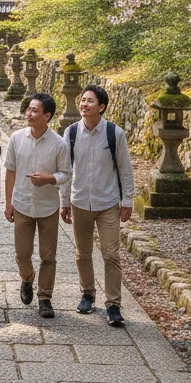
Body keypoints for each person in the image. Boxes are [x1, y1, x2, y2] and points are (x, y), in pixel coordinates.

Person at [60, 85, 136, 327]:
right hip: (80, 201)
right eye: (83, 100)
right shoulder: (71, 132)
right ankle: (87, 294)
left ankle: (113, 304)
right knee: (82, 253)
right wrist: (64, 201)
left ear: (101, 107)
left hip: (108, 202)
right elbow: (66, 170)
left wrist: (128, 200)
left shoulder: (115, 133)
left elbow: (125, 169)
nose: (84, 104)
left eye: (90, 101)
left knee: (111, 254)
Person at [4, 92, 71, 318]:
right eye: (29, 109)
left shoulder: (59, 144)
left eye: (35, 110)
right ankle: (27, 278)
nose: (29, 114)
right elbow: (10, 171)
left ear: (47, 116)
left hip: (48, 206)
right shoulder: (17, 138)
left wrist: (49, 179)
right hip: (22, 203)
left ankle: (45, 297)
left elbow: (66, 174)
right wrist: (8, 202)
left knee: (48, 256)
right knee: (22, 254)